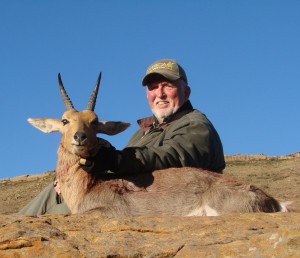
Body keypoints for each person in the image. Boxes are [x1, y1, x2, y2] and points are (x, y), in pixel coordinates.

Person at [19, 58, 225, 216]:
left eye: (168, 85)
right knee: (51, 193)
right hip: (123, 197)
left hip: (156, 201)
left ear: (186, 92)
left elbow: (171, 156)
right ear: (147, 94)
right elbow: (119, 171)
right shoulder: (142, 131)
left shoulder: (196, 124)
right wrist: (69, 179)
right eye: (153, 87)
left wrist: (115, 159)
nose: (160, 93)